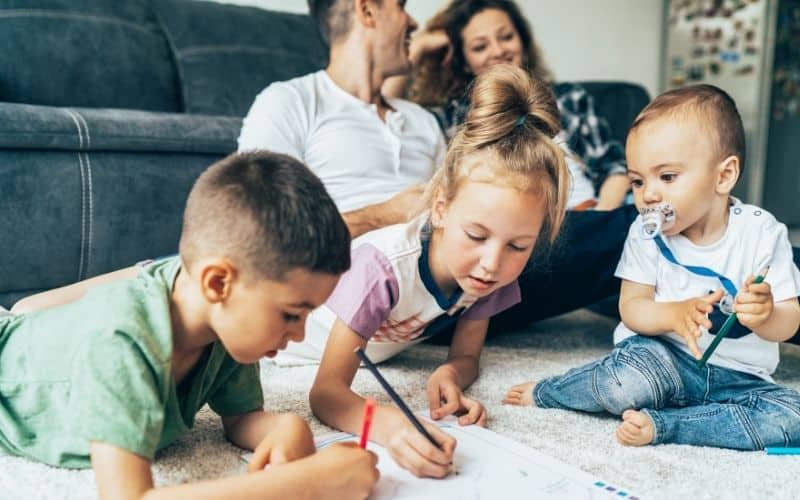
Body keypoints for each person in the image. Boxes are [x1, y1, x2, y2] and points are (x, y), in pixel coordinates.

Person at [13, 0, 800, 344]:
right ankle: (19, 312)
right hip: (373, 264)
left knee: (626, 224)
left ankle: (747, 303)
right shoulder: (291, 101)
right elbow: (244, 220)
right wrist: (387, 214)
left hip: (470, 268)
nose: (415, 23)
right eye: (401, 11)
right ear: (366, 8)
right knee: (160, 278)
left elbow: (484, 169)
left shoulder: (424, 120)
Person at [0, 152, 379, 499]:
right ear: (217, 283)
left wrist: (286, 428)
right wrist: (305, 485)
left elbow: (241, 419)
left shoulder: (225, 325)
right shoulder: (120, 340)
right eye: (291, 314)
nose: (298, 334)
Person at [306, 64, 570, 478]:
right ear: (441, 209)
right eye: (477, 235)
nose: (492, 263)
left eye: (519, 245)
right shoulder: (382, 268)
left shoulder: (493, 273)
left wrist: (449, 374)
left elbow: (466, 355)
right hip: (292, 340)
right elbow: (325, 393)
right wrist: (389, 426)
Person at [503, 85, 800, 450]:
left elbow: (789, 321)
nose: (649, 195)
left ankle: (669, 426)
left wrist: (765, 314)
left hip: (739, 378)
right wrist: (673, 315)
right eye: (638, 181)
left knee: (790, 418)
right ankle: (552, 391)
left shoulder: (762, 232)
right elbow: (632, 307)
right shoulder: (646, 234)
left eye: (668, 177)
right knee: (625, 383)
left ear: (723, 176)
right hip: (661, 358)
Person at [384, 0, 630, 210]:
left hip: (584, 214)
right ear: (464, 62)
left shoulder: (568, 98)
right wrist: (419, 46)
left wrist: (599, 218)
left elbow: (614, 168)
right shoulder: (451, 117)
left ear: (522, 42)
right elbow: (388, 114)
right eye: (480, 47)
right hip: (510, 233)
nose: (498, 51)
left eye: (506, 37)